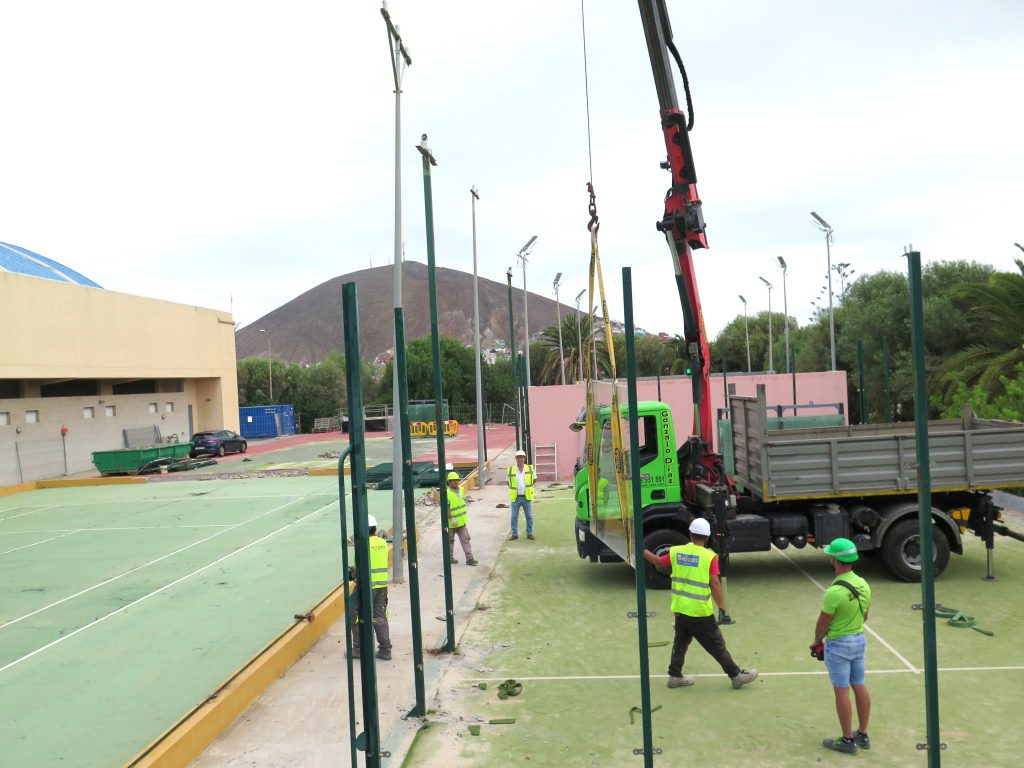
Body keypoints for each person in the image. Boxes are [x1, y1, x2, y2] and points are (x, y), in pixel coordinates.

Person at [642, 517, 758, 690]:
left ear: (690, 534)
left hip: (680, 609)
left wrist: (641, 549)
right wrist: (722, 607)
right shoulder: (709, 557)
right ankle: (736, 675)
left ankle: (674, 676)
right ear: (707, 537)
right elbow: (715, 583)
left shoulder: (677, 552)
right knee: (717, 645)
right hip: (700, 612)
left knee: (680, 642)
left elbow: (658, 562)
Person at [811, 537, 872, 755]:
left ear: (835, 560)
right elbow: (864, 617)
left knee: (841, 690)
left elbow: (822, 624)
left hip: (838, 645)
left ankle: (847, 740)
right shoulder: (864, 585)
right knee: (859, 684)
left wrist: (817, 641)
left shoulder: (833, 592)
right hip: (859, 640)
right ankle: (862, 733)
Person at [348, 514, 392, 661]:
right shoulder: (383, 542)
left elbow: (359, 569)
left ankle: (358, 648)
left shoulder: (362, 545)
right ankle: (385, 650)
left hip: (366, 587)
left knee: (354, 614)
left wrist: (352, 573)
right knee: (379, 616)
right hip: (381, 587)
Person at [446, 471, 477, 566]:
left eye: (456, 480)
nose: (455, 482)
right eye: (453, 481)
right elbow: (446, 507)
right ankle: (449, 558)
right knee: (450, 541)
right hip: (451, 523)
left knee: (465, 539)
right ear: (449, 482)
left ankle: (470, 559)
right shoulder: (446, 493)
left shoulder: (461, 490)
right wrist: (451, 518)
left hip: (462, 521)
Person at [507, 449, 535, 540]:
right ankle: (514, 534)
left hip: (527, 497)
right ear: (516, 458)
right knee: (514, 517)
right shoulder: (511, 470)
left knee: (529, 516)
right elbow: (508, 482)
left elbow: (534, 479)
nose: (520, 459)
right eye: (518, 457)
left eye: (522, 457)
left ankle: (529, 533)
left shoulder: (530, 468)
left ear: (524, 458)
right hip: (516, 497)